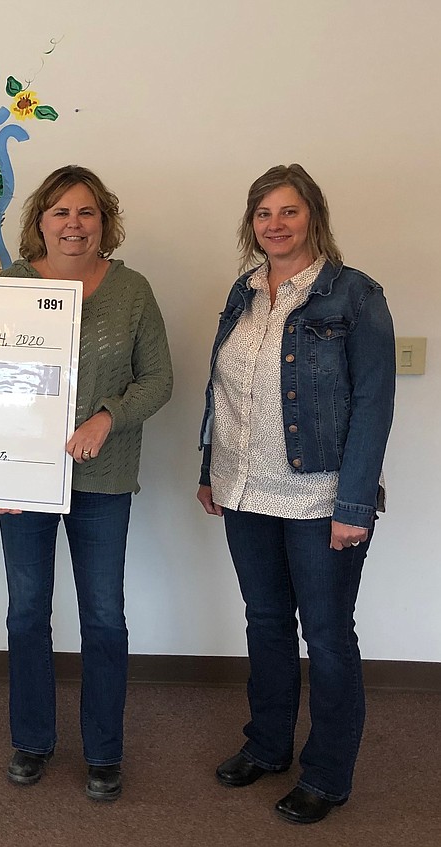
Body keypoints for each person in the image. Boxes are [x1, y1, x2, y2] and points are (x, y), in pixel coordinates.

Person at [197, 164, 395, 824]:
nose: (275, 224)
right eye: (263, 214)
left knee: (330, 636)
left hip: (320, 499)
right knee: (266, 621)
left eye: (288, 211)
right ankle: (267, 744)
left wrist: (354, 503)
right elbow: (228, 390)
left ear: (314, 216)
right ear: (251, 224)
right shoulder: (244, 291)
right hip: (245, 490)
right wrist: (211, 467)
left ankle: (328, 773)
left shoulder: (354, 295)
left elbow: (372, 402)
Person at [0, 166, 173, 800]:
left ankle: (104, 751)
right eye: (62, 212)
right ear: (39, 221)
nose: (75, 224)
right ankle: (32, 741)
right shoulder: (12, 285)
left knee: (103, 618)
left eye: (88, 212)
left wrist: (107, 416)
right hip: (23, 479)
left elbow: (158, 381)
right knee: (26, 613)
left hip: (104, 477)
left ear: (105, 221)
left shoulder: (131, 290)